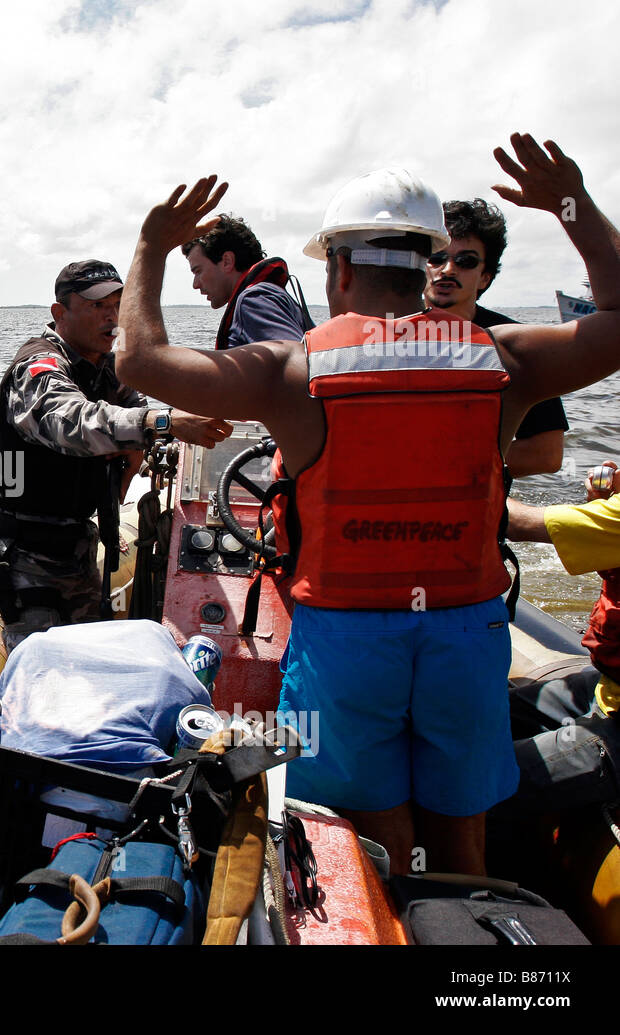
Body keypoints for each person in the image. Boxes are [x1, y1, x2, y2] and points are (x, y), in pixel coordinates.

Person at [116, 134, 620, 876]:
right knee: (462, 830)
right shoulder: (504, 359)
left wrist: (151, 247)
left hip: (346, 640)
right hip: (466, 633)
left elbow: (138, 360)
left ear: (341, 266)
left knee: (366, 836)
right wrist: (570, 206)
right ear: (427, 263)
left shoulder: (294, 368)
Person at [0, 259, 233, 651]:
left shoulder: (104, 367)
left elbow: (134, 407)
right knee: (42, 667)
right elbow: (72, 422)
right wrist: (163, 422)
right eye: (97, 307)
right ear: (60, 313)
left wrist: (149, 436)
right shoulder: (37, 366)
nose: (112, 317)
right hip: (27, 554)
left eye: (118, 306)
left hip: (76, 542)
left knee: (86, 658)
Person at [425, 198, 569, 478]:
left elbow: (547, 454)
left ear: (485, 278)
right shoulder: (386, 332)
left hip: (477, 506)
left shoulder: (516, 347)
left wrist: (442, 464)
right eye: (437, 257)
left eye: (465, 261)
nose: (448, 269)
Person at [507, 462, 620, 718]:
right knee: (492, 714)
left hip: (614, 710)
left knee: (484, 752)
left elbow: (515, 524)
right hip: (608, 686)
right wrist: (602, 508)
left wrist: (480, 480)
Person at [183, 214, 312, 348]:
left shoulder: (254, 300)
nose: (195, 284)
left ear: (227, 261)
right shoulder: (268, 295)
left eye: (198, 271)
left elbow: (299, 360)